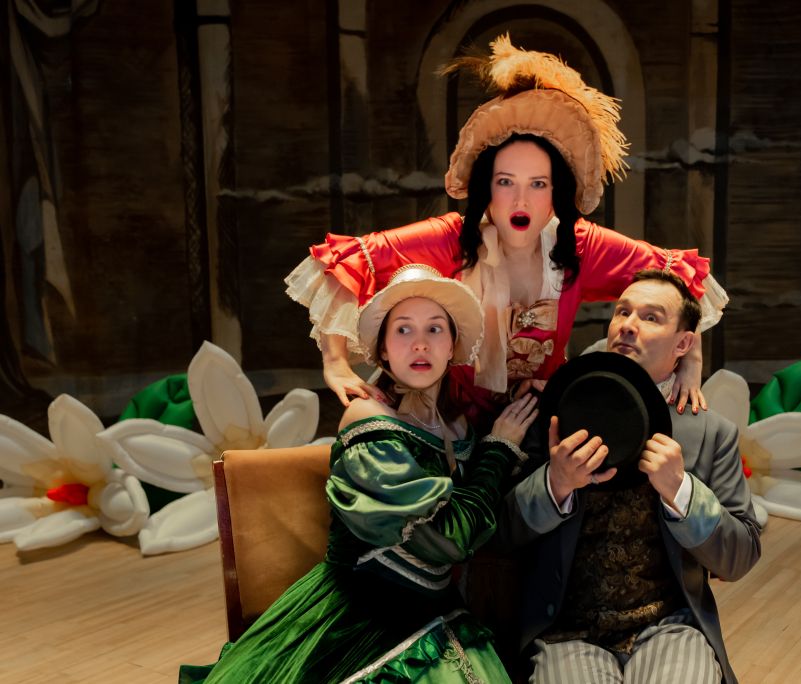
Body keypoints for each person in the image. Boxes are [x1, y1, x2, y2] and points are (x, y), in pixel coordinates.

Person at [285, 35, 728, 428]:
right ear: (486, 189)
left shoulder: (580, 245)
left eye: (538, 185)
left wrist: (690, 363)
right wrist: (336, 364)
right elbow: (346, 261)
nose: (521, 201)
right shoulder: (449, 238)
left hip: (535, 420)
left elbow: (680, 280)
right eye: (505, 182)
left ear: (556, 193)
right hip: (442, 417)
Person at [181, 264, 537, 683]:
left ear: (452, 346)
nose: (420, 343)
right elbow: (449, 540)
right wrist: (498, 450)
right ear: (383, 349)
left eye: (435, 329)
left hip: (434, 611)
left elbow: (480, 514)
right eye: (403, 330)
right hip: (359, 617)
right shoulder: (368, 419)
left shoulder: (457, 426)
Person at [499, 269, 761, 684]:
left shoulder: (712, 433)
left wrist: (682, 491)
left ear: (683, 344)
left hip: (670, 627)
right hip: (567, 632)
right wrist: (555, 483)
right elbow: (502, 531)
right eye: (622, 312)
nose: (628, 325)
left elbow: (741, 555)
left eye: (651, 317)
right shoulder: (555, 411)